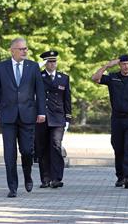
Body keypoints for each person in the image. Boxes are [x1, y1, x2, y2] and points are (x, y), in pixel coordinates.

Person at [0, 37, 46, 198]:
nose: (24, 51)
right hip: (7, 117)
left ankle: (27, 176)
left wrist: (42, 112)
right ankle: (12, 187)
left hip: (28, 116)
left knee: (27, 151)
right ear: (12, 50)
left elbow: (39, 91)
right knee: (9, 153)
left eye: (26, 49)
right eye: (21, 49)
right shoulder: (1, 67)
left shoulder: (33, 67)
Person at [92, 54, 128, 189]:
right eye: (123, 64)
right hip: (117, 118)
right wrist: (107, 65)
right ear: (119, 65)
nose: (126, 66)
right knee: (118, 148)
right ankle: (120, 176)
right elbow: (95, 78)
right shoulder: (112, 77)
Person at [35, 50, 71, 189]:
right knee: (42, 148)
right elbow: (27, 77)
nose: (52, 64)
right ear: (45, 63)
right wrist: (39, 65)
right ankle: (45, 178)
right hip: (41, 117)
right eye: (49, 61)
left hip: (58, 118)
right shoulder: (38, 76)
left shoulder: (63, 78)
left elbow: (67, 99)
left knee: (56, 145)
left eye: (54, 61)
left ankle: (56, 178)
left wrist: (68, 118)